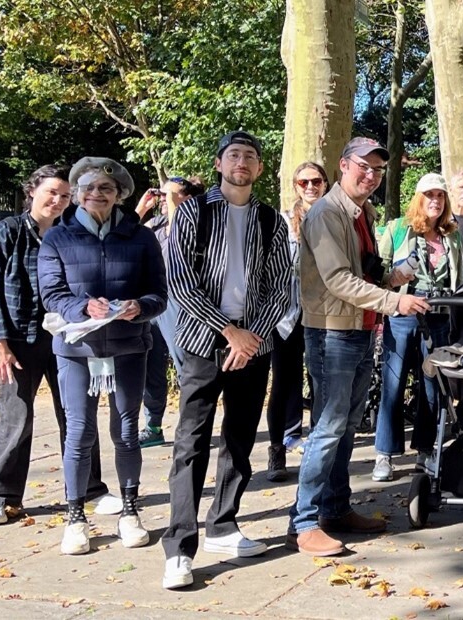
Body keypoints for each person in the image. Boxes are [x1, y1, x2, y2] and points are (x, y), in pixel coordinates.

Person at [162, 131, 294, 587]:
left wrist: (251, 338)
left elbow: (282, 286)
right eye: (234, 155)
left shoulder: (270, 220)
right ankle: (179, 546)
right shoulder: (193, 212)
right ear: (219, 164)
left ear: (259, 169)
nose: (242, 162)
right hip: (203, 341)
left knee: (239, 437)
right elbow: (179, 281)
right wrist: (230, 332)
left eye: (251, 157)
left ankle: (223, 523)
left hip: (254, 345)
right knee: (191, 441)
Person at [288, 137, 426, 558]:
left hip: (361, 329)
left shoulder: (362, 213)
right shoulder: (327, 213)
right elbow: (338, 282)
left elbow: (362, 276)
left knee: (346, 428)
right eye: (363, 167)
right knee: (328, 429)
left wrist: (391, 279)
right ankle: (304, 521)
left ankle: (335, 507)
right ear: (343, 166)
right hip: (332, 334)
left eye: (378, 170)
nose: (370, 176)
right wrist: (395, 301)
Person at [0, 165, 119, 526]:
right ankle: (0, 496)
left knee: (77, 415)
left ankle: (90, 488)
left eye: (65, 195)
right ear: (32, 192)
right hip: (19, 340)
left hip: (67, 336)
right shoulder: (4, 233)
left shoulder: (72, 234)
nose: (57, 200)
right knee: (15, 416)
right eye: (51, 192)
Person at [39, 156, 167, 555]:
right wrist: (83, 308)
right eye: (89, 188)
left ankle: (131, 511)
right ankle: (76, 518)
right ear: (77, 193)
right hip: (78, 349)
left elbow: (159, 294)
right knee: (78, 431)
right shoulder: (57, 238)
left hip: (130, 346)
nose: (97, 194)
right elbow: (52, 292)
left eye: (106, 189)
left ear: (120, 195)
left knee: (127, 430)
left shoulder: (141, 237)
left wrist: (139, 307)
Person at [375, 172, 463, 481]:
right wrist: (395, 278)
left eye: (440, 196)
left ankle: (426, 450)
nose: (435, 201)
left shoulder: (452, 234)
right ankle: (384, 454)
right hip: (402, 313)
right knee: (394, 382)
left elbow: (460, 279)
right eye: (429, 195)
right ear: (419, 198)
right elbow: (376, 274)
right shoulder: (398, 229)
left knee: (432, 384)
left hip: (440, 314)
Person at [134, 175, 203, 448]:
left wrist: (175, 204)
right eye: (162, 195)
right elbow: (122, 235)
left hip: (177, 301)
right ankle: (153, 426)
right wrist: (140, 210)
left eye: (170, 195)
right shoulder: (154, 225)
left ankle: (193, 424)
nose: (163, 200)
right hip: (151, 301)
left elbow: (180, 243)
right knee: (150, 367)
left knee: (186, 365)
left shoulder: (195, 221)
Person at [268, 162, 328, 472]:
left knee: (320, 381)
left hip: (323, 315)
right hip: (286, 316)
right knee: (284, 382)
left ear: (325, 184)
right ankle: (278, 447)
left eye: (316, 181)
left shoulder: (334, 219)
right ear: (295, 186)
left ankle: (317, 448)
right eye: (303, 182)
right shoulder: (280, 222)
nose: (310, 187)